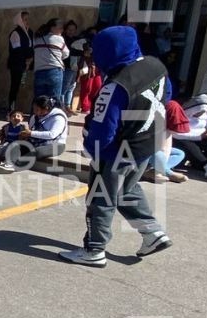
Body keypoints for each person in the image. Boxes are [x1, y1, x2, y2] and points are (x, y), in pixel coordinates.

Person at [60, 26, 173, 268]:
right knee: (127, 190)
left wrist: (93, 151)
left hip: (116, 151)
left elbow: (103, 130)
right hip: (146, 144)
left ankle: (94, 249)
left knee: (101, 198)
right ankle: (152, 233)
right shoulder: (156, 66)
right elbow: (168, 98)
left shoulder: (115, 86)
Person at [0, 95, 68, 173]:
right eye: (33, 108)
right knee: (16, 144)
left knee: (37, 151)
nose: (34, 111)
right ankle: (8, 162)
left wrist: (31, 133)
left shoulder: (58, 118)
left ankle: (16, 166)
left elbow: (52, 135)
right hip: (37, 142)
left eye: (37, 109)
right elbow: (31, 130)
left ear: (46, 109)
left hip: (56, 145)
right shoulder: (35, 117)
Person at [144, 98, 190, 184]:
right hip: (148, 148)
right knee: (159, 154)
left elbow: (167, 146)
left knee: (180, 153)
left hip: (158, 149)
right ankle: (169, 173)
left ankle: (154, 171)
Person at [33, 18, 68, 102]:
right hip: (54, 72)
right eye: (60, 28)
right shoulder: (59, 38)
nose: (62, 30)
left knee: (38, 100)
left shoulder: (37, 38)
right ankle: (52, 115)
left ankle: (36, 115)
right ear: (52, 28)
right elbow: (66, 54)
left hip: (39, 72)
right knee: (54, 101)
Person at [7, 11, 34, 112]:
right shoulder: (15, 33)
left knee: (22, 85)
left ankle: (20, 109)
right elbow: (17, 49)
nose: (27, 22)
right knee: (15, 85)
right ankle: (11, 109)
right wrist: (26, 59)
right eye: (24, 19)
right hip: (17, 64)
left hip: (27, 64)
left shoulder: (30, 32)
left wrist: (30, 59)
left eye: (27, 19)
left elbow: (31, 47)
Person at [75, 41, 102, 114]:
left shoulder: (98, 49)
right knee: (87, 88)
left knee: (97, 86)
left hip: (96, 70)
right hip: (87, 70)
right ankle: (85, 107)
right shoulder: (84, 48)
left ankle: (92, 105)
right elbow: (83, 57)